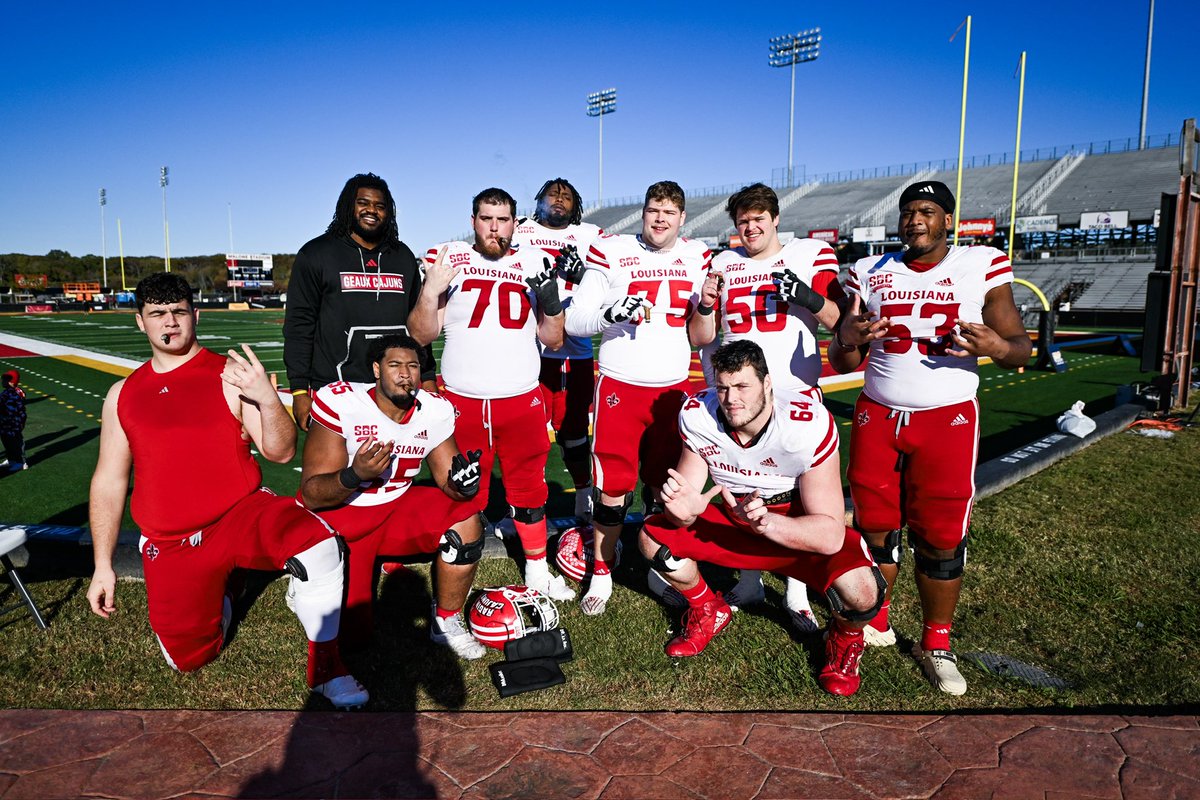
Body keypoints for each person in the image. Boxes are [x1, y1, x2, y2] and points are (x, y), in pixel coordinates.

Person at [87, 273, 368, 709]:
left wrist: (267, 399)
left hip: (239, 513)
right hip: (171, 539)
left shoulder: (229, 375)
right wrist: (103, 566)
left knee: (318, 544)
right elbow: (108, 480)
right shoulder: (122, 394)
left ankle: (326, 667)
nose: (170, 322)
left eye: (179, 312)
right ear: (140, 322)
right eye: (157, 314)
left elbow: (280, 452)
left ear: (195, 315)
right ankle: (227, 590)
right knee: (186, 660)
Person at [829, 180, 1031, 695]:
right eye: (907, 212)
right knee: (874, 523)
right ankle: (875, 616)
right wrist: (848, 337)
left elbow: (1020, 347)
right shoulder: (870, 271)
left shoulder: (980, 263)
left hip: (947, 419)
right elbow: (844, 359)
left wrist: (995, 346)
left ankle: (935, 642)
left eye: (927, 210)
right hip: (878, 414)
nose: (914, 219)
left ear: (948, 220)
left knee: (940, 536)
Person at [639, 340, 884, 696]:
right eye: (722, 387)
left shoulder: (806, 424)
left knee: (863, 591)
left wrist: (768, 522)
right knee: (653, 539)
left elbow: (831, 534)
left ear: (767, 383)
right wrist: (681, 512)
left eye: (742, 386)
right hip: (735, 517)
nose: (730, 399)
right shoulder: (698, 413)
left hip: (794, 523)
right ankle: (707, 608)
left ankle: (845, 639)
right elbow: (687, 498)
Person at [686, 183, 845, 632]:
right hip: (741, 399)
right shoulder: (723, 263)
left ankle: (796, 589)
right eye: (743, 221)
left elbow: (840, 321)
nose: (750, 227)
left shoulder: (810, 254)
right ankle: (751, 578)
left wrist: (808, 297)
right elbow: (699, 337)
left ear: (776, 219)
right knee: (742, 485)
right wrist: (706, 304)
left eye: (758, 218)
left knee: (798, 496)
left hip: (794, 395)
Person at [409, 187, 573, 601]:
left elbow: (553, 340)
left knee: (530, 488)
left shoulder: (536, 261)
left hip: (520, 398)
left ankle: (537, 570)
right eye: (486, 219)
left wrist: (552, 304)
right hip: (463, 400)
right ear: (473, 221)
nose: (494, 228)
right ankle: (458, 567)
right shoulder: (449, 258)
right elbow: (421, 334)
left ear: (515, 223)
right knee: (461, 489)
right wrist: (429, 290)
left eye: (502, 220)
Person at [565, 180, 712, 615]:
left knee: (663, 486)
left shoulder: (698, 255)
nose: (660, 219)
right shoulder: (612, 250)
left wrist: (706, 307)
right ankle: (602, 569)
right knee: (612, 488)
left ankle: (655, 566)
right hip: (621, 386)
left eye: (669, 212)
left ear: (682, 218)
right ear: (643, 213)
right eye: (653, 210)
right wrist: (610, 314)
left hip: (672, 388)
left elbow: (701, 335)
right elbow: (574, 320)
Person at [298, 333, 487, 658]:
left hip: (394, 507)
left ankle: (445, 620)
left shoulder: (433, 409)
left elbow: (448, 484)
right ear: (376, 369)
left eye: (412, 366)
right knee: (354, 640)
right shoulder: (343, 403)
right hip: (342, 517)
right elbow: (312, 494)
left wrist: (463, 485)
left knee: (466, 519)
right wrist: (354, 475)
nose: (404, 374)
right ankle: (314, 574)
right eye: (395, 365)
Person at [284, 173, 435, 431]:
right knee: (332, 458)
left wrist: (428, 376)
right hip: (335, 389)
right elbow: (299, 324)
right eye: (363, 203)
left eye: (380, 205)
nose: (371, 210)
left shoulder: (402, 256)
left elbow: (418, 323)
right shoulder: (316, 253)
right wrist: (299, 390)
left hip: (395, 390)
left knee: (395, 457)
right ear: (347, 206)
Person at [512, 178, 604, 522]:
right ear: (540, 200)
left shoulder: (591, 235)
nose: (560, 199)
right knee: (526, 436)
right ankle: (522, 503)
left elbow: (609, 281)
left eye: (567, 196)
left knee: (574, 434)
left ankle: (583, 495)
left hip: (572, 352)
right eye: (554, 194)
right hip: (528, 350)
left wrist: (582, 275)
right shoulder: (520, 230)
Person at [0, 370, 28, 472]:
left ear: (12, 381)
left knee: (16, 442)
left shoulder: (14, 393)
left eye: (7, 379)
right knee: (7, 441)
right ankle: (11, 460)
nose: (3, 381)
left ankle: (21, 462)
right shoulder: (7, 392)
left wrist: (20, 423)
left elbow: (21, 410)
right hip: (5, 423)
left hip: (13, 423)